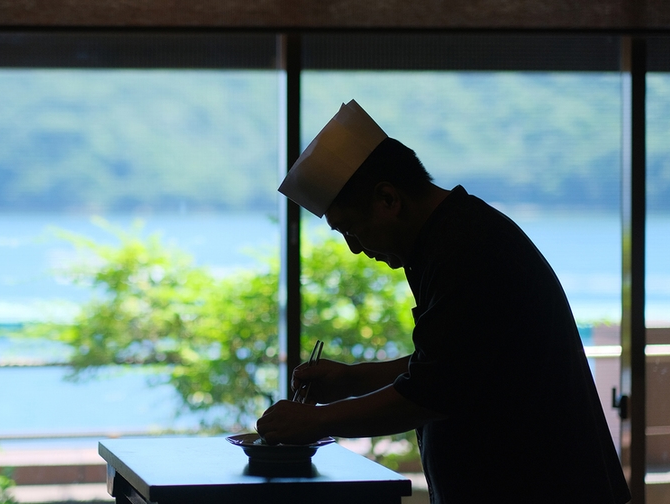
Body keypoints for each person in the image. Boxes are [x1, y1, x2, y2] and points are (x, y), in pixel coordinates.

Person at [256, 100, 631, 503]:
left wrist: (315, 421)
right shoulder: (452, 236)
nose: (354, 248)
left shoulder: (466, 250)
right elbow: (463, 364)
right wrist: (352, 379)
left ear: (388, 199)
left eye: (350, 229)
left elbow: (434, 392)